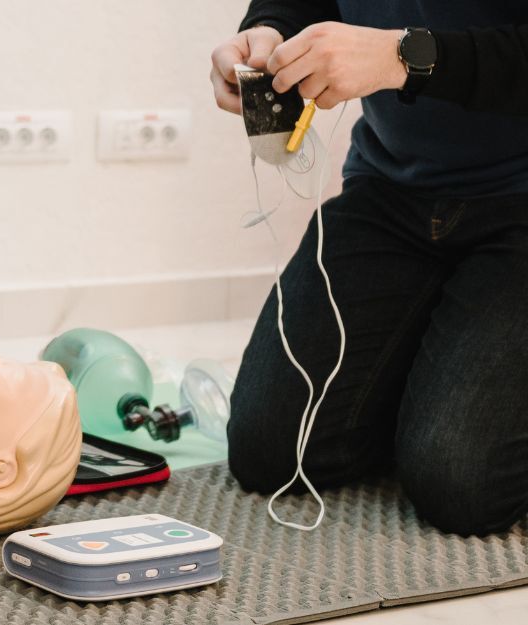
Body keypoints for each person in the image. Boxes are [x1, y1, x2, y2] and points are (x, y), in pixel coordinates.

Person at [210, 1, 528, 535]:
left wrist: (405, 56)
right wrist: (268, 33)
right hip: (392, 189)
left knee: (462, 484)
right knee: (270, 451)